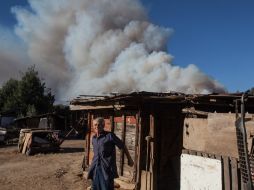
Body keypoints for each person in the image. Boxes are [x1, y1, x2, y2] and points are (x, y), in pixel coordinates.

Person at [87, 117, 134, 190]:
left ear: (103, 125)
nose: (97, 126)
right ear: (93, 126)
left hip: (106, 168)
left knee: (106, 187)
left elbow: (122, 146)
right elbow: (96, 153)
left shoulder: (110, 136)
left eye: (99, 125)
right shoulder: (94, 138)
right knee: (95, 187)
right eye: (95, 125)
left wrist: (129, 158)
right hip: (95, 168)